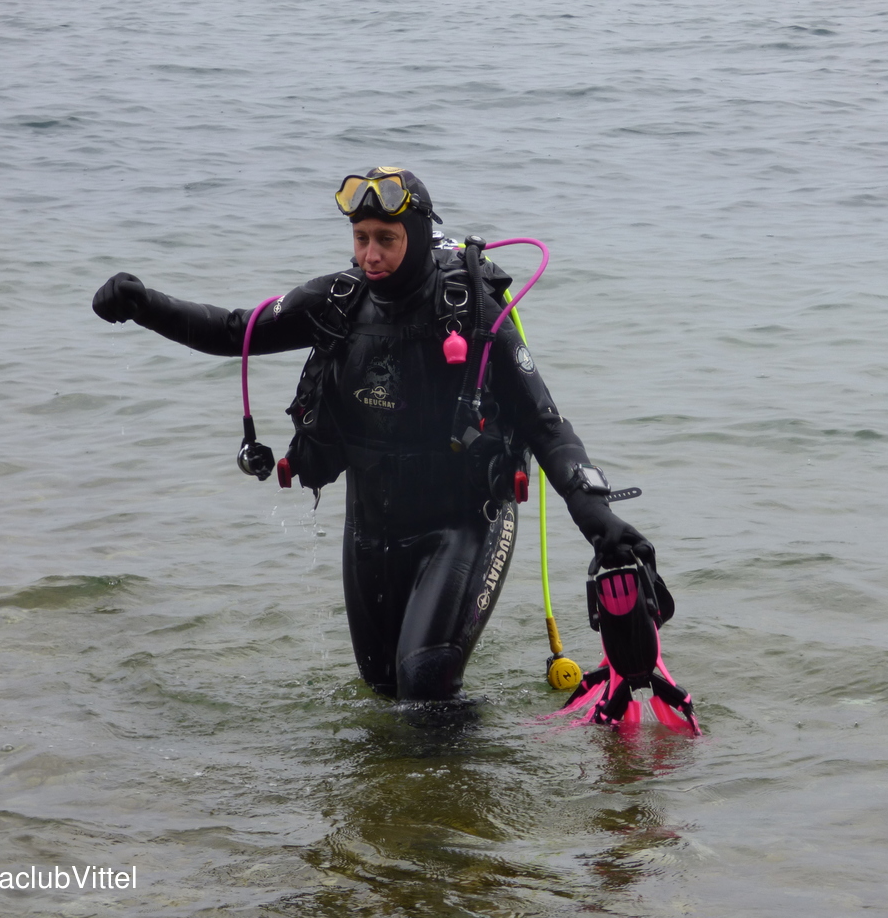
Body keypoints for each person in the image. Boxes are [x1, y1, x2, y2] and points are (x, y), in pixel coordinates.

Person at [92, 167, 654, 704]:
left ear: (417, 235)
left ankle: (458, 772)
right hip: (371, 527)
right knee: (383, 689)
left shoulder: (474, 313)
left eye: (386, 239)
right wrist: (145, 306)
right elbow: (233, 332)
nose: (370, 255)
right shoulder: (340, 302)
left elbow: (545, 424)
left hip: (463, 522)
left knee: (424, 682)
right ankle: (422, 775)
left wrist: (596, 517)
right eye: (360, 238)